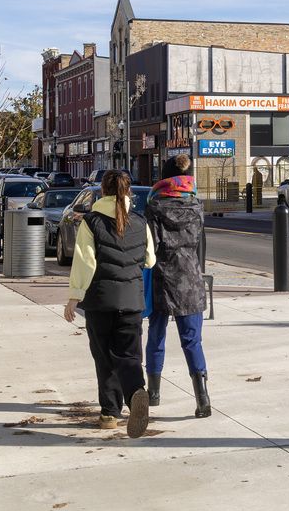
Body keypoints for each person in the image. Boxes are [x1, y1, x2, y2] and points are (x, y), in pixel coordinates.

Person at [64, 170, 156, 437]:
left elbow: (85, 262)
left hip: (100, 300)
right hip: (132, 300)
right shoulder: (140, 222)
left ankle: (109, 413)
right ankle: (136, 391)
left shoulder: (91, 222)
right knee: (128, 354)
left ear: (101, 191)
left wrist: (74, 297)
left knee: (104, 356)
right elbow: (150, 259)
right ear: (128, 192)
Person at [144, 154, 211, 418]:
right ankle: (202, 397)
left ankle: (154, 393)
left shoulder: (154, 207)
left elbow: (151, 247)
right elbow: (199, 244)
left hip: (162, 277)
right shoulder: (197, 207)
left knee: (156, 335)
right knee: (192, 340)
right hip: (190, 278)